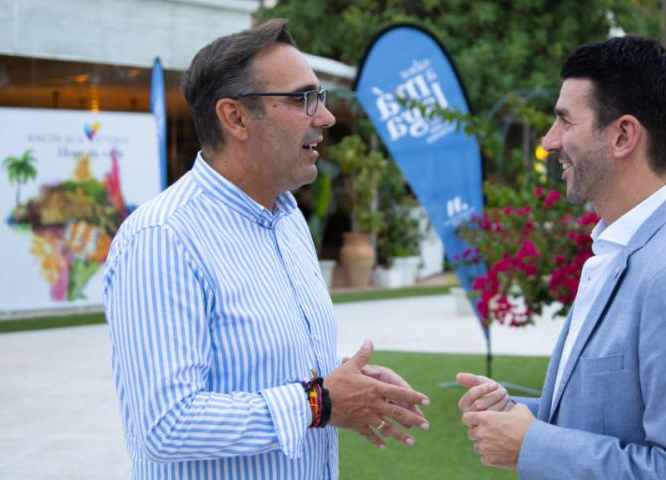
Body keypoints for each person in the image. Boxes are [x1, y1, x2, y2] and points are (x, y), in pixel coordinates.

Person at [103, 19, 429, 479]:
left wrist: (346, 383)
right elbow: (165, 426)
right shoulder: (164, 238)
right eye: (302, 99)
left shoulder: (287, 218)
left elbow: (262, 366)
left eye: (319, 97)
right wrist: (320, 402)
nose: (325, 117)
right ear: (235, 117)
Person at [457, 36, 666, 479]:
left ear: (623, 136)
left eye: (564, 121)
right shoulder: (621, 249)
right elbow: (612, 419)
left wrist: (533, 445)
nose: (549, 141)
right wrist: (518, 416)